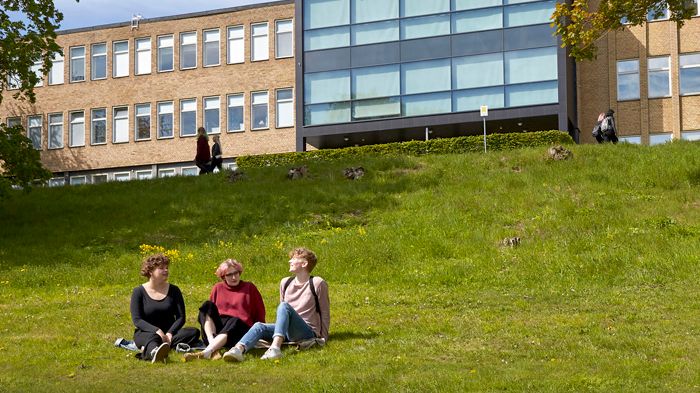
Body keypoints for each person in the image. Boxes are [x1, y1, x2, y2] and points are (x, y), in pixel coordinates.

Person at [222, 247, 330, 362]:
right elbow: (282, 314)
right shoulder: (285, 282)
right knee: (259, 326)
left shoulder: (317, 283)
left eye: (294, 259)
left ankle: (275, 348)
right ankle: (238, 350)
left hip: (307, 331)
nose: (290, 262)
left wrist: (323, 338)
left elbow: (325, 312)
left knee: (284, 306)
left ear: (304, 264)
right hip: (288, 330)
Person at [184, 259, 266, 361]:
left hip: (239, 330)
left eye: (236, 273)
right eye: (229, 274)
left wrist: (258, 334)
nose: (234, 277)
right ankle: (212, 346)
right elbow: (210, 313)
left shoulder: (249, 287)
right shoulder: (217, 288)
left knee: (234, 320)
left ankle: (207, 351)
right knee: (207, 305)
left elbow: (260, 313)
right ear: (223, 276)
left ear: (239, 272)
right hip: (219, 330)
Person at [130, 253, 200, 363]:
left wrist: (169, 333)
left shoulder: (174, 290)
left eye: (167, 268)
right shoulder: (138, 292)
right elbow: (137, 320)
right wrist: (157, 331)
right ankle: (154, 352)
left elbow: (181, 317)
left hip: (170, 334)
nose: (166, 270)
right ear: (150, 271)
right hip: (147, 332)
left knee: (193, 332)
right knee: (153, 338)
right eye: (161, 268)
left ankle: (157, 346)